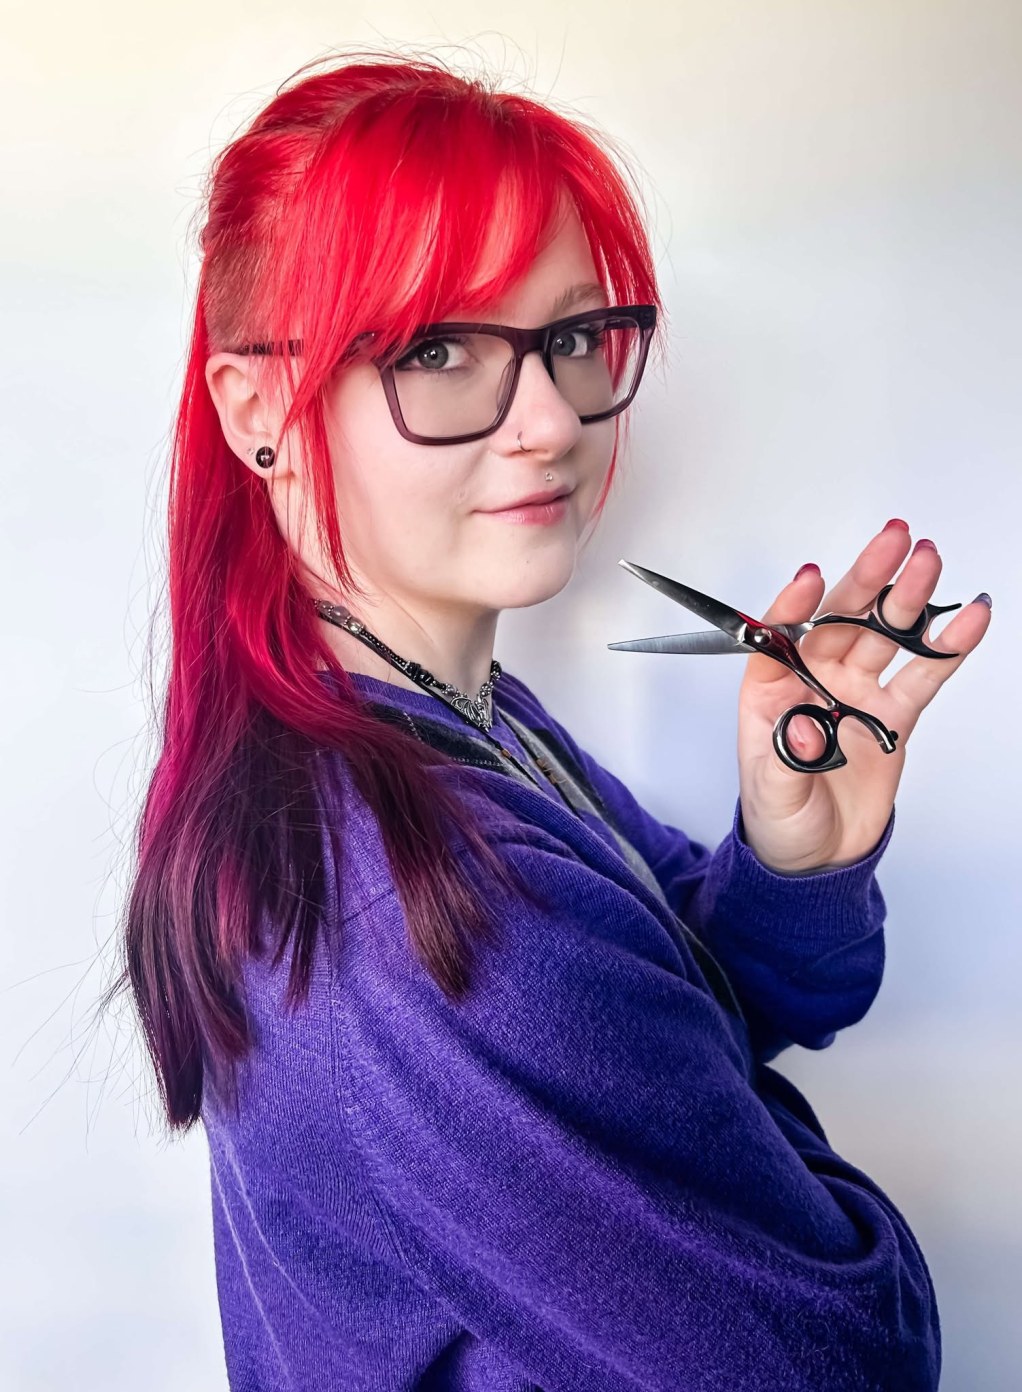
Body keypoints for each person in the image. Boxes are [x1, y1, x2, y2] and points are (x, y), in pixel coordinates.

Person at [107, 48, 990, 1391]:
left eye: (572, 339)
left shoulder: (444, 721)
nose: (547, 423)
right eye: (437, 349)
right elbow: (847, 1360)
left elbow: (694, 1001)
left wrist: (791, 863)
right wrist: (789, 1168)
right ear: (258, 410)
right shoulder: (432, 910)